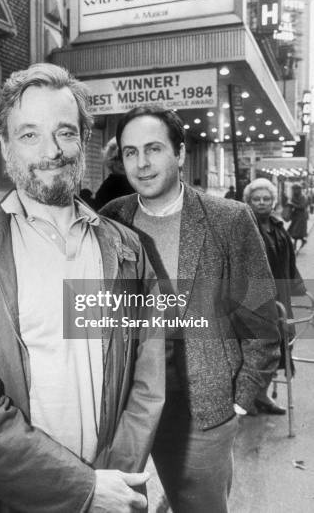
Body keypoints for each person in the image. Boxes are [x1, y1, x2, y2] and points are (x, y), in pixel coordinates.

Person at [0, 64, 165, 513]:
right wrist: (80, 488)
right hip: (4, 497)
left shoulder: (127, 249)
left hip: (110, 487)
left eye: (64, 132)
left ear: (83, 141)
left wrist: (114, 478)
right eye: (29, 135)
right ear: (4, 147)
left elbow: (148, 375)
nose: (51, 151)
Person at [100, 105, 280, 513]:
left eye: (153, 149)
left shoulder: (229, 219)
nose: (142, 164)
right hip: (126, 405)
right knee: (124, 506)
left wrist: (239, 398)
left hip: (200, 408)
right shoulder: (112, 218)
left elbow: (261, 317)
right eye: (130, 152)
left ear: (179, 154)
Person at [243, 178, 306, 414]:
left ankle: (261, 396)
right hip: (255, 300)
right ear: (248, 202)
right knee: (256, 351)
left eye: (266, 199)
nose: (261, 203)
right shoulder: (244, 228)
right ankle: (247, 398)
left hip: (281, 298)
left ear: (273, 201)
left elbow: (289, 261)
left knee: (279, 349)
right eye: (256, 199)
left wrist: (300, 289)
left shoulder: (278, 226)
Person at [94, 137, 134, 209]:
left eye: (126, 157)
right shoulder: (110, 186)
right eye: (118, 158)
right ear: (110, 161)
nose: (122, 163)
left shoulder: (133, 182)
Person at [287, 183, 308, 251]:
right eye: (293, 189)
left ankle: (295, 245)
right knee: (293, 231)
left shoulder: (302, 197)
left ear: (299, 189)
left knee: (296, 231)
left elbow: (302, 206)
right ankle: (301, 242)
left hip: (301, 217)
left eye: (295, 189)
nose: (294, 191)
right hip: (295, 216)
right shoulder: (294, 196)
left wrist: (292, 204)